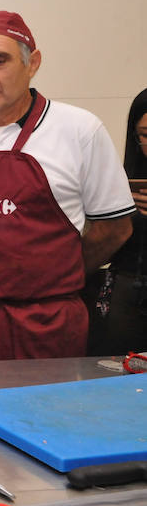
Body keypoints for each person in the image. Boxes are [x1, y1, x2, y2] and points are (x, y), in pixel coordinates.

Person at [0, 10, 135, 361]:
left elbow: (114, 229)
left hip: (45, 324)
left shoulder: (79, 130)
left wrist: (50, 275)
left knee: (42, 414)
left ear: (32, 63)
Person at [88, 90, 147, 355]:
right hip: (125, 287)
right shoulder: (123, 180)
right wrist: (118, 212)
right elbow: (99, 244)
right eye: (145, 135)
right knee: (113, 376)